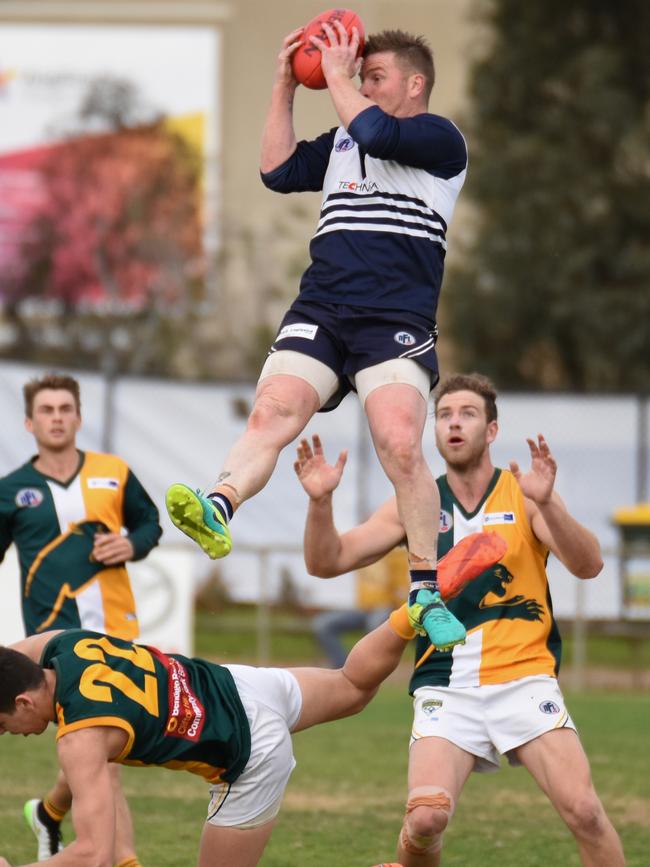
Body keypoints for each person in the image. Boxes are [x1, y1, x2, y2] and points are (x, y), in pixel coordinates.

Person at [166, 25, 469, 651]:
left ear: (415, 84)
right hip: (323, 309)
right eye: (359, 77)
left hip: (395, 319)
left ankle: (424, 592)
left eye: (373, 76)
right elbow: (276, 170)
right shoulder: (342, 142)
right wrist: (282, 86)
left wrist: (330, 73)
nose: (359, 83)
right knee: (273, 409)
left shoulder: (440, 140)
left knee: (399, 444)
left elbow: (379, 132)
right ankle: (219, 505)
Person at [293, 373, 626, 867]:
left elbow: (589, 565)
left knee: (586, 813)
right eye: (444, 415)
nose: (453, 424)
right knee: (425, 818)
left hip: (522, 677)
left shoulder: (524, 494)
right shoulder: (417, 501)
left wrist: (550, 502)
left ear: (491, 430)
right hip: (444, 686)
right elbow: (327, 562)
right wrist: (321, 503)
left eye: (467, 414)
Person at [0, 615, 411, 867]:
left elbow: (93, 856)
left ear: (22, 701)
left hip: (250, 749)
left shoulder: (80, 739)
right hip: (237, 683)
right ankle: (411, 611)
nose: (7, 734)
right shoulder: (64, 643)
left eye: (2, 725)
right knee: (353, 686)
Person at [0, 373, 162, 865]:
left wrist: (131, 543)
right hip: (54, 645)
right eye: (46, 410)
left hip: (116, 632)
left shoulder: (113, 472)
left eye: (64, 409)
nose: (56, 417)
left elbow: (150, 522)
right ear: (29, 422)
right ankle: (124, 859)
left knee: (97, 749)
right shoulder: (13, 490)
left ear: (79, 417)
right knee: (100, 753)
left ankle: (51, 812)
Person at [313, 546, 409, 668]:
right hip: (362, 609)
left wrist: (398, 608)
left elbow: (401, 590)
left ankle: (372, 669)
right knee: (323, 624)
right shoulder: (361, 552)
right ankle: (343, 669)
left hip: (386, 608)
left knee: (375, 624)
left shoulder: (396, 555)